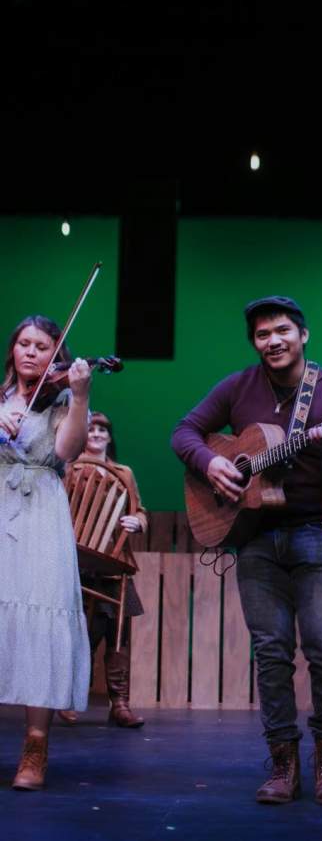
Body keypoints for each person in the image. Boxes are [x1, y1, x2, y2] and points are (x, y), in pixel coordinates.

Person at [171, 296, 322, 806]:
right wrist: (212, 463)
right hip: (254, 537)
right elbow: (184, 432)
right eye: (262, 335)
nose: (272, 341)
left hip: (317, 532)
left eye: (282, 331)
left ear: (303, 335)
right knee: (271, 653)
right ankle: (281, 764)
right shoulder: (238, 387)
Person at [0, 315, 91, 791]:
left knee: (40, 619)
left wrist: (79, 395)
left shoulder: (59, 398)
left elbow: (68, 449)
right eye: (24, 343)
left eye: (42, 346)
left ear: (56, 355)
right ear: (12, 349)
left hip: (39, 513)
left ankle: (35, 746)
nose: (31, 352)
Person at [60, 412, 147, 728]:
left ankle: (119, 703)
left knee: (119, 634)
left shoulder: (124, 472)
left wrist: (137, 521)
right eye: (91, 429)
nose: (96, 434)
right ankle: (67, 697)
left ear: (110, 437)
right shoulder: (69, 467)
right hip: (79, 563)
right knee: (80, 634)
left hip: (114, 561)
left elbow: (139, 511)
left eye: (102, 430)